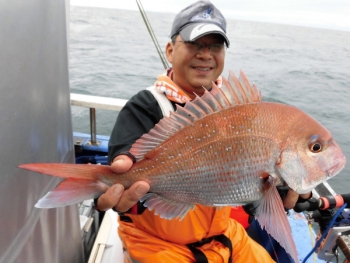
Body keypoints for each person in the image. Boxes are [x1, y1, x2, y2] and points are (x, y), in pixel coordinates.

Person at [95, 1, 311, 262]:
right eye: (195, 44)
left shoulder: (239, 111)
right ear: (170, 50)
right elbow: (125, 162)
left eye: (215, 46)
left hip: (224, 236)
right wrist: (120, 183)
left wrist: (282, 194)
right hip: (157, 243)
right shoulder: (146, 106)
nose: (205, 54)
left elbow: (245, 190)